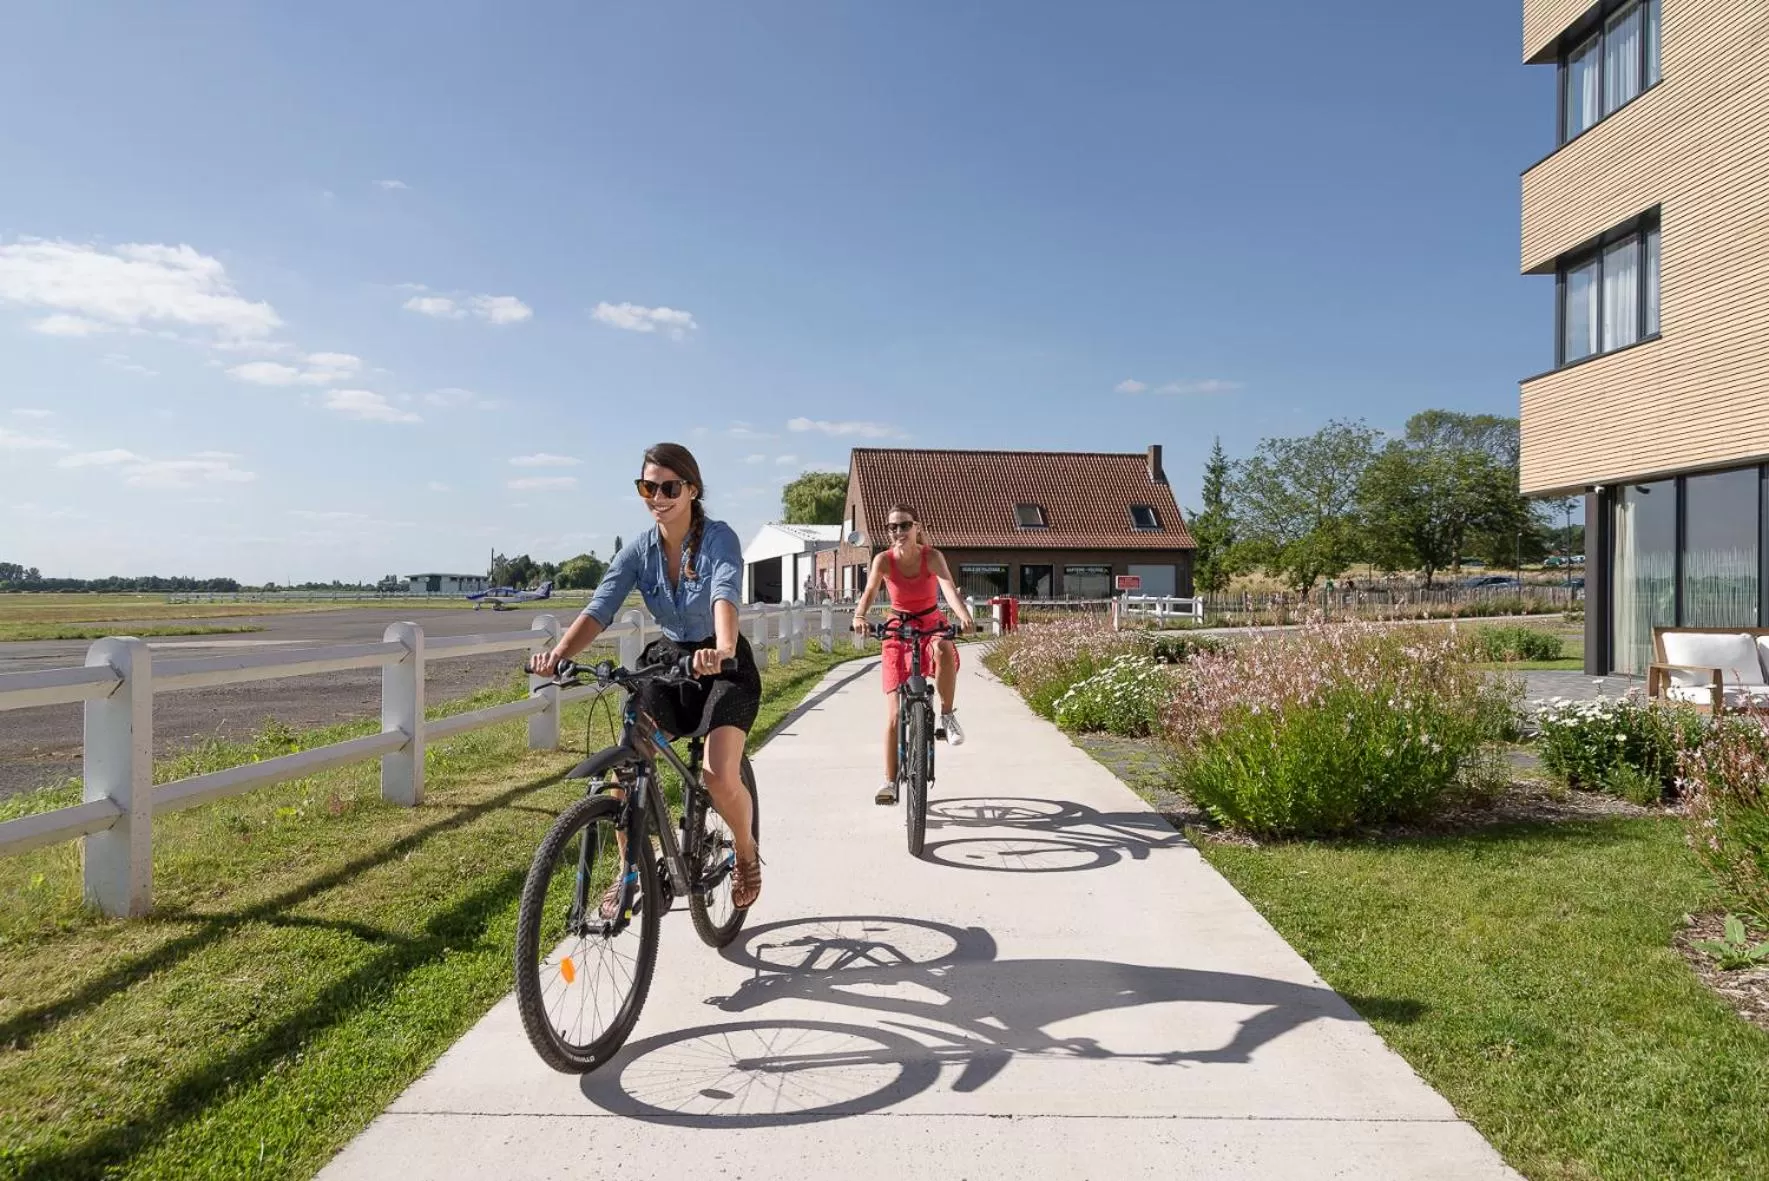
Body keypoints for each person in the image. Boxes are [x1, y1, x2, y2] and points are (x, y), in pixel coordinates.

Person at [528, 443, 764, 911]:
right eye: (647, 487)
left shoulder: (718, 538)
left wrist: (722, 648)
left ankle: (746, 851)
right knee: (627, 761)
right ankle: (627, 872)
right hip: (670, 659)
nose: (658, 496)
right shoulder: (639, 550)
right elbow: (601, 608)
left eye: (669, 487)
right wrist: (557, 654)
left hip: (723, 665)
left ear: (692, 490)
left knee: (719, 777)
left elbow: (724, 593)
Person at [850, 504, 975, 805]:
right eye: (893, 527)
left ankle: (947, 715)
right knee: (893, 714)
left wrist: (965, 617)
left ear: (917, 527)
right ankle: (890, 781)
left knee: (944, 647)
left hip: (931, 623)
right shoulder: (883, 560)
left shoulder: (931, 557)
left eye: (904, 525)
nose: (898, 532)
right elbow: (868, 592)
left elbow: (948, 590)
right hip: (897, 629)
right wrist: (859, 616)